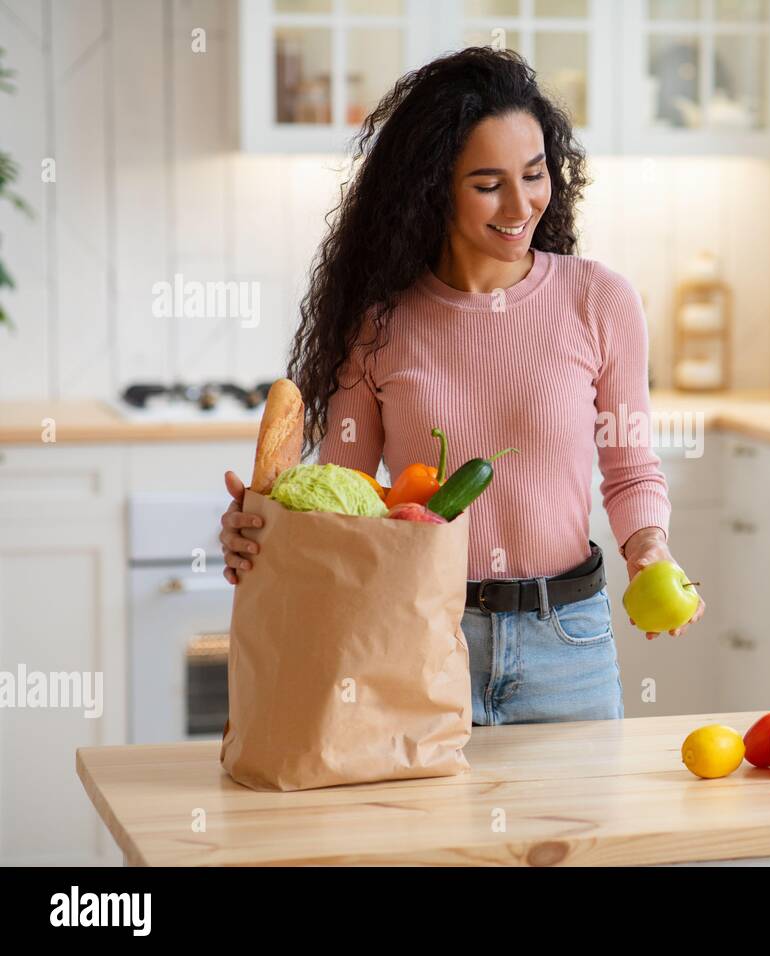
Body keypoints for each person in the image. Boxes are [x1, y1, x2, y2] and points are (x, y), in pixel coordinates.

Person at [218, 47, 704, 726]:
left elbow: (629, 469)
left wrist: (649, 548)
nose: (520, 204)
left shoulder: (600, 300)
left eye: (534, 175)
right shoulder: (378, 323)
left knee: (579, 833)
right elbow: (347, 506)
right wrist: (262, 531)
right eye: (487, 183)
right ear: (432, 186)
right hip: (418, 635)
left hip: (568, 642)